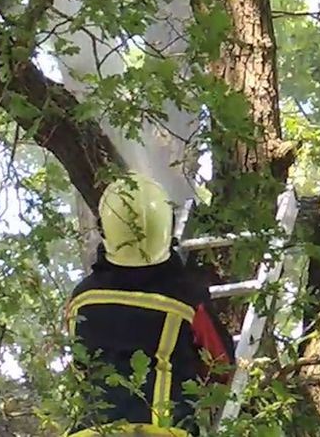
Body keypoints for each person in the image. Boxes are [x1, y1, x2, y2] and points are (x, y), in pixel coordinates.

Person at [64, 173, 235, 437]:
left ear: (104, 230)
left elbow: (80, 368)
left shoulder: (82, 298)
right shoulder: (186, 298)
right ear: (168, 227)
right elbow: (221, 364)